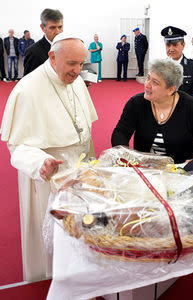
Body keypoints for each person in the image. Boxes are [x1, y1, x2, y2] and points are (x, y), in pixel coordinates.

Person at [0, 33, 98, 282]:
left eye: (81, 64)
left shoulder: (74, 80)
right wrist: (39, 163)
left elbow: (84, 127)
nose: (78, 71)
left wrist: (90, 160)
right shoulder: (28, 89)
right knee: (51, 244)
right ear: (52, 57)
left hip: (78, 171)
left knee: (80, 232)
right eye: (72, 64)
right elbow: (17, 146)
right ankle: (51, 279)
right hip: (47, 177)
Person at [111, 59, 193, 164]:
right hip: (144, 168)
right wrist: (123, 153)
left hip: (179, 170)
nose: (147, 84)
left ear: (171, 90)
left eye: (155, 82)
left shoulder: (191, 106)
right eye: (148, 78)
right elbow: (121, 132)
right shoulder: (136, 103)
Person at [161, 26, 193, 110]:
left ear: (183, 45)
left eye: (175, 45)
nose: (171, 49)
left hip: (186, 112)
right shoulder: (160, 67)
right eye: (168, 45)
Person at [24, 8, 63, 76]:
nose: (57, 32)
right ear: (43, 28)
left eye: (60, 27)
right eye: (52, 28)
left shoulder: (66, 47)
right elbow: (28, 83)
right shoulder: (33, 52)